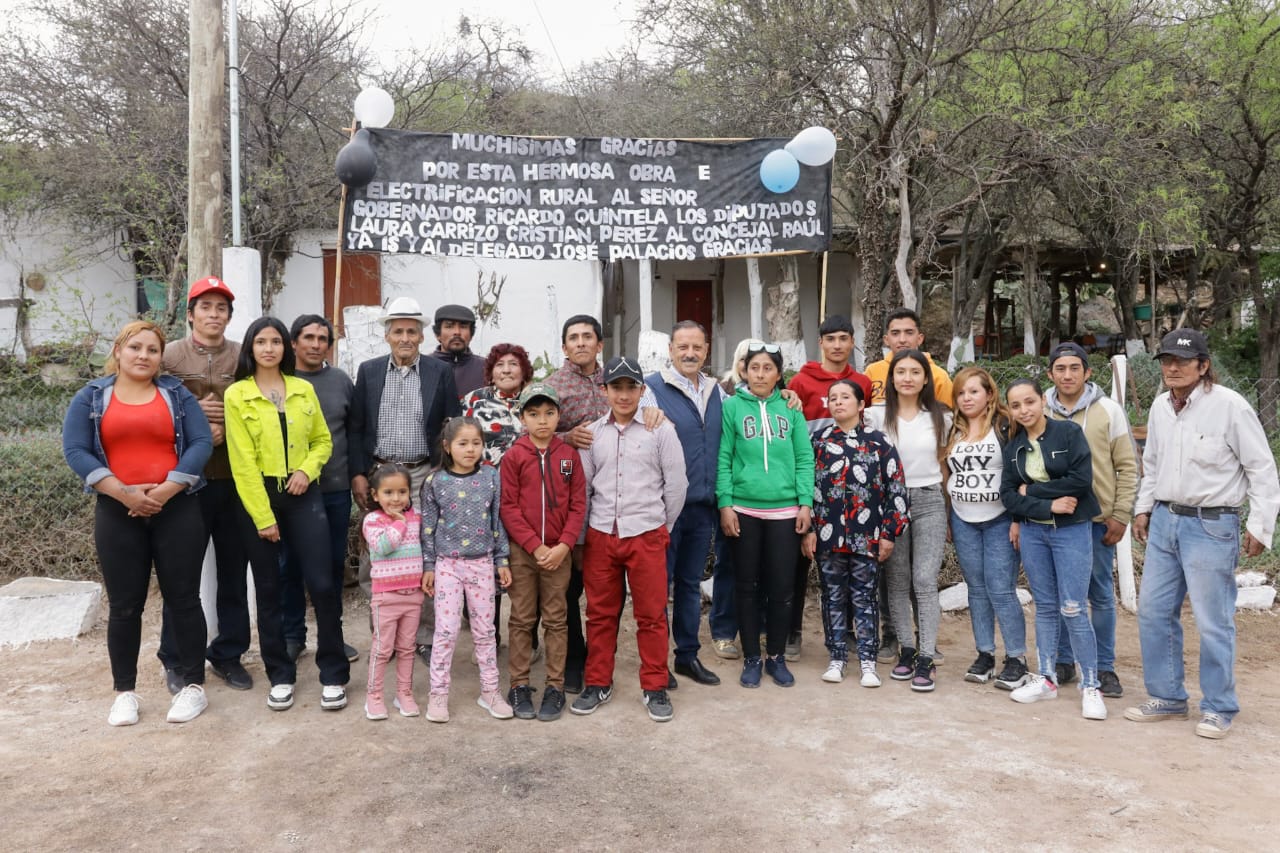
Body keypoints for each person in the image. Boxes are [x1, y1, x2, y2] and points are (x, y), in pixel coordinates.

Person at [1126, 329, 1280, 739]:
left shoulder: (1230, 407)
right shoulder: (1161, 406)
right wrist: (1143, 508)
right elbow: (1153, 463)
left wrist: (1260, 524)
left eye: (1182, 360)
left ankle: (1218, 706)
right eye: (1166, 361)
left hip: (1212, 525)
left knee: (1213, 621)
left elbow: (1262, 469)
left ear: (1204, 365)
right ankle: (1167, 697)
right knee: (1154, 612)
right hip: (1164, 521)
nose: (1172, 368)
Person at [63, 320, 213, 726]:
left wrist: (165, 490)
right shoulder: (91, 397)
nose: (144, 356)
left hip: (177, 508)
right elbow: (75, 450)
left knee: (183, 599)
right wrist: (124, 493)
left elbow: (200, 442)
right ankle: (124, 693)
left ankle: (193, 687)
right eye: (136, 348)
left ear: (160, 357)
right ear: (119, 350)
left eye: (152, 349)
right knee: (125, 606)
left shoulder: (175, 395)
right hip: (117, 511)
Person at [224, 316, 349, 713]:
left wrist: (306, 471)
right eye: (261, 341)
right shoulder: (237, 395)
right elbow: (241, 463)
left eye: (275, 341)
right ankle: (280, 674)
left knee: (323, 584)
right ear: (251, 348)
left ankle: (333, 671)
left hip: (303, 494)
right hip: (259, 498)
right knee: (269, 589)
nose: (269, 348)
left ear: (285, 348)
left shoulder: (302, 389)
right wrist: (263, 516)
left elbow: (322, 440)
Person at [544, 314, 664, 692]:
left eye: (587, 337)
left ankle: (656, 670)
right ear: (564, 347)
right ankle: (579, 663)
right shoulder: (552, 386)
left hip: (628, 510)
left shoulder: (617, 377)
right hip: (571, 501)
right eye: (573, 338)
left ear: (599, 345)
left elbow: (652, 420)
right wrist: (565, 435)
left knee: (642, 604)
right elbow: (536, 432)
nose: (580, 343)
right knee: (573, 591)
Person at [571, 357, 687, 722]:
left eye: (630, 387)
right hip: (602, 534)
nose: (623, 395)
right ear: (604, 391)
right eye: (616, 387)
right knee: (600, 613)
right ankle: (597, 681)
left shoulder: (661, 431)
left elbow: (677, 486)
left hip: (646, 534)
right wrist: (584, 537)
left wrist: (658, 525)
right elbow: (585, 490)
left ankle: (654, 686)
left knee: (651, 614)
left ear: (641, 390)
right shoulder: (592, 434)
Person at [350, 296, 461, 664]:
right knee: (377, 550)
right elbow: (357, 427)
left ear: (422, 336)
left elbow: (451, 423)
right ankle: (384, 629)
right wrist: (358, 474)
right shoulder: (368, 371)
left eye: (412, 331)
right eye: (398, 331)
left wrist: (442, 473)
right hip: (380, 472)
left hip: (422, 473)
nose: (405, 338)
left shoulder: (438, 372)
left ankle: (423, 637)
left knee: (423, 550)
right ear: (387, 336)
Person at [157, 275, 249, 695]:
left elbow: (256, 404)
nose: (214, 314)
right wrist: (192, 415)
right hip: (183, 483)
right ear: (190, 313)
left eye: (222, 308)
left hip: (234, 479)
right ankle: (175, 658)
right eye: (206, 307)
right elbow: (146, 400)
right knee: (182, 577)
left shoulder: (241, 357)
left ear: (229, 316)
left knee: (233, 572)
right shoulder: (169, 356)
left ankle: (228, 654)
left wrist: (227, 427)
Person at [1000, 378, 1106, 721]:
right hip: (1034, 533)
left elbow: (1080, 481)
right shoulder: (1013, 446)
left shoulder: (1068, 434)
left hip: (1072, 531)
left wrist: (1032, 491)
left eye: (1029, 402)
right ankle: (1046, 679)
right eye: (1016, 406)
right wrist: (1045, 504)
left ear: (1042, 401)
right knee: (1045, 606)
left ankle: (1091, 685)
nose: (1024, 410)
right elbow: (1009, 495)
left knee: (1073, 607)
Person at [718, 343, 815, 689]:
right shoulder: (731, 408)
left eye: (768, 368)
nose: (760, 374)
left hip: (785, 511)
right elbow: (724, 458)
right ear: (744, 371)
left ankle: (774, 655)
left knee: (782, 587)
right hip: (743, 509)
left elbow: (805, 458)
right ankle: (751, 658)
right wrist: (725, 504)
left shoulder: (790, 409)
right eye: (754, 367)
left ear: (778, 374)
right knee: (745, 586)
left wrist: (806, 504)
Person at [1044, 342, 1138, 698]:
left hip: (1098, 520)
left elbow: (1128, 467)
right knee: (1061, 594)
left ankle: (1103, 666)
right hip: (1052, 520)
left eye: (1074, 368)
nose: (1067, 375)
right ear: (1050, 373)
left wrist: (1121, 513)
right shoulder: (1040, 410)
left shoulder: (1108, 411)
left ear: (1087, 372)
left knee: (1098, 594)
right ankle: (1065, 661)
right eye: (1060, 368)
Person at [802, 379, 907, 688]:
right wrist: (807, 530)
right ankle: (836, 657)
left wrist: (889, 532)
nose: (838, 402)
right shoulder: (818, 441)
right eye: (832, 398)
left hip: (867, 536)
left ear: (861, 405)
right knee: (833, 597)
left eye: (845, 397)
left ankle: (867, 661)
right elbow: (806, 488)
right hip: (827, 536)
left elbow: (896, 489)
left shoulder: (879, 442)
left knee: (865, 598)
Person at [641, 321, 727, 686]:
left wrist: (789, 396)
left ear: (706, 350)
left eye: (697, 347)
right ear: (671, 350)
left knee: (690, 585)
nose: (690, 353)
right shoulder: (651, 389)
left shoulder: (717, 390)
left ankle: (687, 656)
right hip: (664, 509)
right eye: (682, 347)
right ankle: (657, 664)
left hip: (703, 507)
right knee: (659, 588)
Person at [784, 315, 873, 661]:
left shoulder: (863, 382)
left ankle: (847, 632)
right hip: (809, 484)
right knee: (797, 564)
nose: (837, 345)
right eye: (830, 339)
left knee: (847, 562)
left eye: (843, 338)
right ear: (820, 343)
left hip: (851, 491)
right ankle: (791, 631)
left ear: (852, 342)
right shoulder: (802, 382)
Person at [500, 382, 588, 722]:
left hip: (558, 553)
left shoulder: (568, 457)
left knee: (556, 618)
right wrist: (534, 546)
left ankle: (554, 684)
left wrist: (564, 545)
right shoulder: (514, 456)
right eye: (534, 414)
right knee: (522, 618)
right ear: (522, 417)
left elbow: (578, 505)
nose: (542, 421)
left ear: (558, 416)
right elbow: (508, 507)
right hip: (524, 553)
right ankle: (519, 684)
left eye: (549, 413)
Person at [865, 349, 952, 692]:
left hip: (929, 499)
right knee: (897, 580)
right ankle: (907, 650)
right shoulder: (874, 417)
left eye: (915, 372)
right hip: (890, 503)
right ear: (891, 378)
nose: (907, 378)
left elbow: (944, 466)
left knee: (924, 579)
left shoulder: (940, 418)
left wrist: (947, 512)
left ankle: (927, 658)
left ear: (926, 378)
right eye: (901, 372)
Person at [420, 417, 513, 723]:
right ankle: (438, 694)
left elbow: (496, 520)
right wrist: (430, 566)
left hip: (483, 564)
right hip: (448, 565)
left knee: (486, 632)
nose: (470, 449)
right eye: (463, 443)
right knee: (445, 631)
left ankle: (490, 691)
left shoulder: (490, 477)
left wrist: (501, 560)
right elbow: (428, 528)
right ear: (447, 447)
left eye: (476, 443)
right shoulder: (435, 482)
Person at [945, 367, 1029, 691]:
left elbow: (1022, 473)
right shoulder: (953, 430)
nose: (967, 398)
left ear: (989, 394)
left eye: (974, 392)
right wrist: (950, 513)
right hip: (964, 519)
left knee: (1000, 588)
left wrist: (1019, 519)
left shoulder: (1005, 425)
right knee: (976, 588)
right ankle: (985, 654)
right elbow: (947, 475)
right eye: (961, 393)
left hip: (1000, 519)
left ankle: (1017, 658)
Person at [283, 314, 358, 664]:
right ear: (293, 342)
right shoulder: (279, 381)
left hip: (334, 490)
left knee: (329, 569)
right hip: (290, 491)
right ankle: (292, 636)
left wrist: (357, 475)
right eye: (308, 337)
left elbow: (354, 432)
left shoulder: (341, 381)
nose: (315, 344)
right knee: (290, 566)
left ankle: (333, 638)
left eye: (322, 339)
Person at [361, 462, 424, 720]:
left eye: (402, 492)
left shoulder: (417, 517)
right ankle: (373, 696)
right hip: (386, 598)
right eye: (388, 493)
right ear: (375, 495)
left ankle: (404, 693)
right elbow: (384, 546)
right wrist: (398, 523)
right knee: (382, 649)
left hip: (414, 596)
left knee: (408, 648)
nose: (396, 498)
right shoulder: (373, 521)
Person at [462, 343, 534, 468]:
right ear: (492, 375)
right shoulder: (474, 400)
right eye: (500, 365)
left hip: (528, 478)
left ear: (524, 372)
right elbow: (456, 439)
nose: (506, 370)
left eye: (513, 364)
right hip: (482, 479)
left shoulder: (535, 400)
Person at [864, 308, 954, 407]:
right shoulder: (872, 372)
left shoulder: (938, 376)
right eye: (895, 333)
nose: (902, 340)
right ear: (886, 340)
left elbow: (947, 416)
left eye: (909, 333)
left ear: (920, 339)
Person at [429, 303, 486, 396]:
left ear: (471, 334)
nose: (457, 332)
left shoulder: (487, 368)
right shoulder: (423, 368)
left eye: (463, 326)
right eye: (449, 326)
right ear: (437, 334)